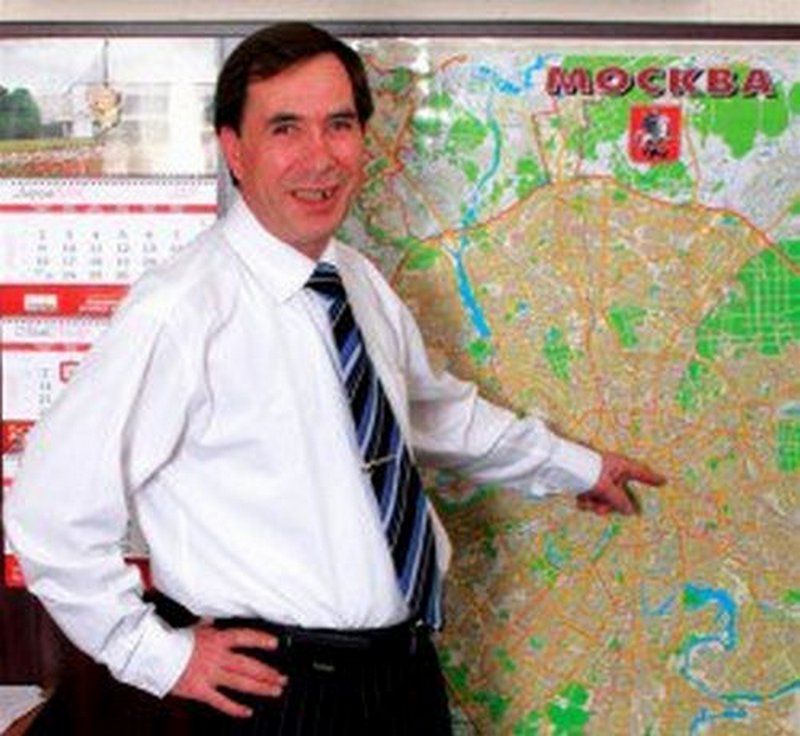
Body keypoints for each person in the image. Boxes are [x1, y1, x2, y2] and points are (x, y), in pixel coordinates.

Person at [4, 22, 665, 735]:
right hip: (276, 698)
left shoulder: (354, 279)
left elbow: (428, 414)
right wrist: (159, 656)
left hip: (401, 679)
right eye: (285, 128)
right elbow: (49, 509)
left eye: (339, 125)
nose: (319, 157)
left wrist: (575, 466)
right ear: (234, 150)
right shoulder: (181, 310)